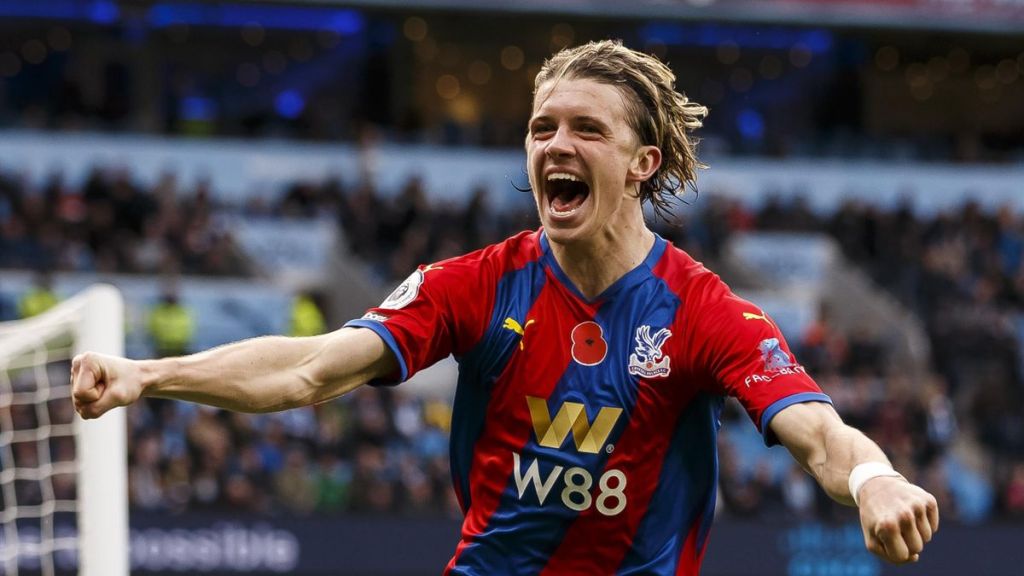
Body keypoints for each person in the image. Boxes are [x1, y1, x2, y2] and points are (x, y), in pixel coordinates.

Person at [71, 40, 938, 575]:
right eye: (541, 127)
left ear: (642, 164)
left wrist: (875, 480)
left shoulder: (703, 311)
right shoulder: (475, 284)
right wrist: (150, 374)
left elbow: (817, 430)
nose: (557, 144)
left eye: (588, 129)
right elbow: (309, 368)